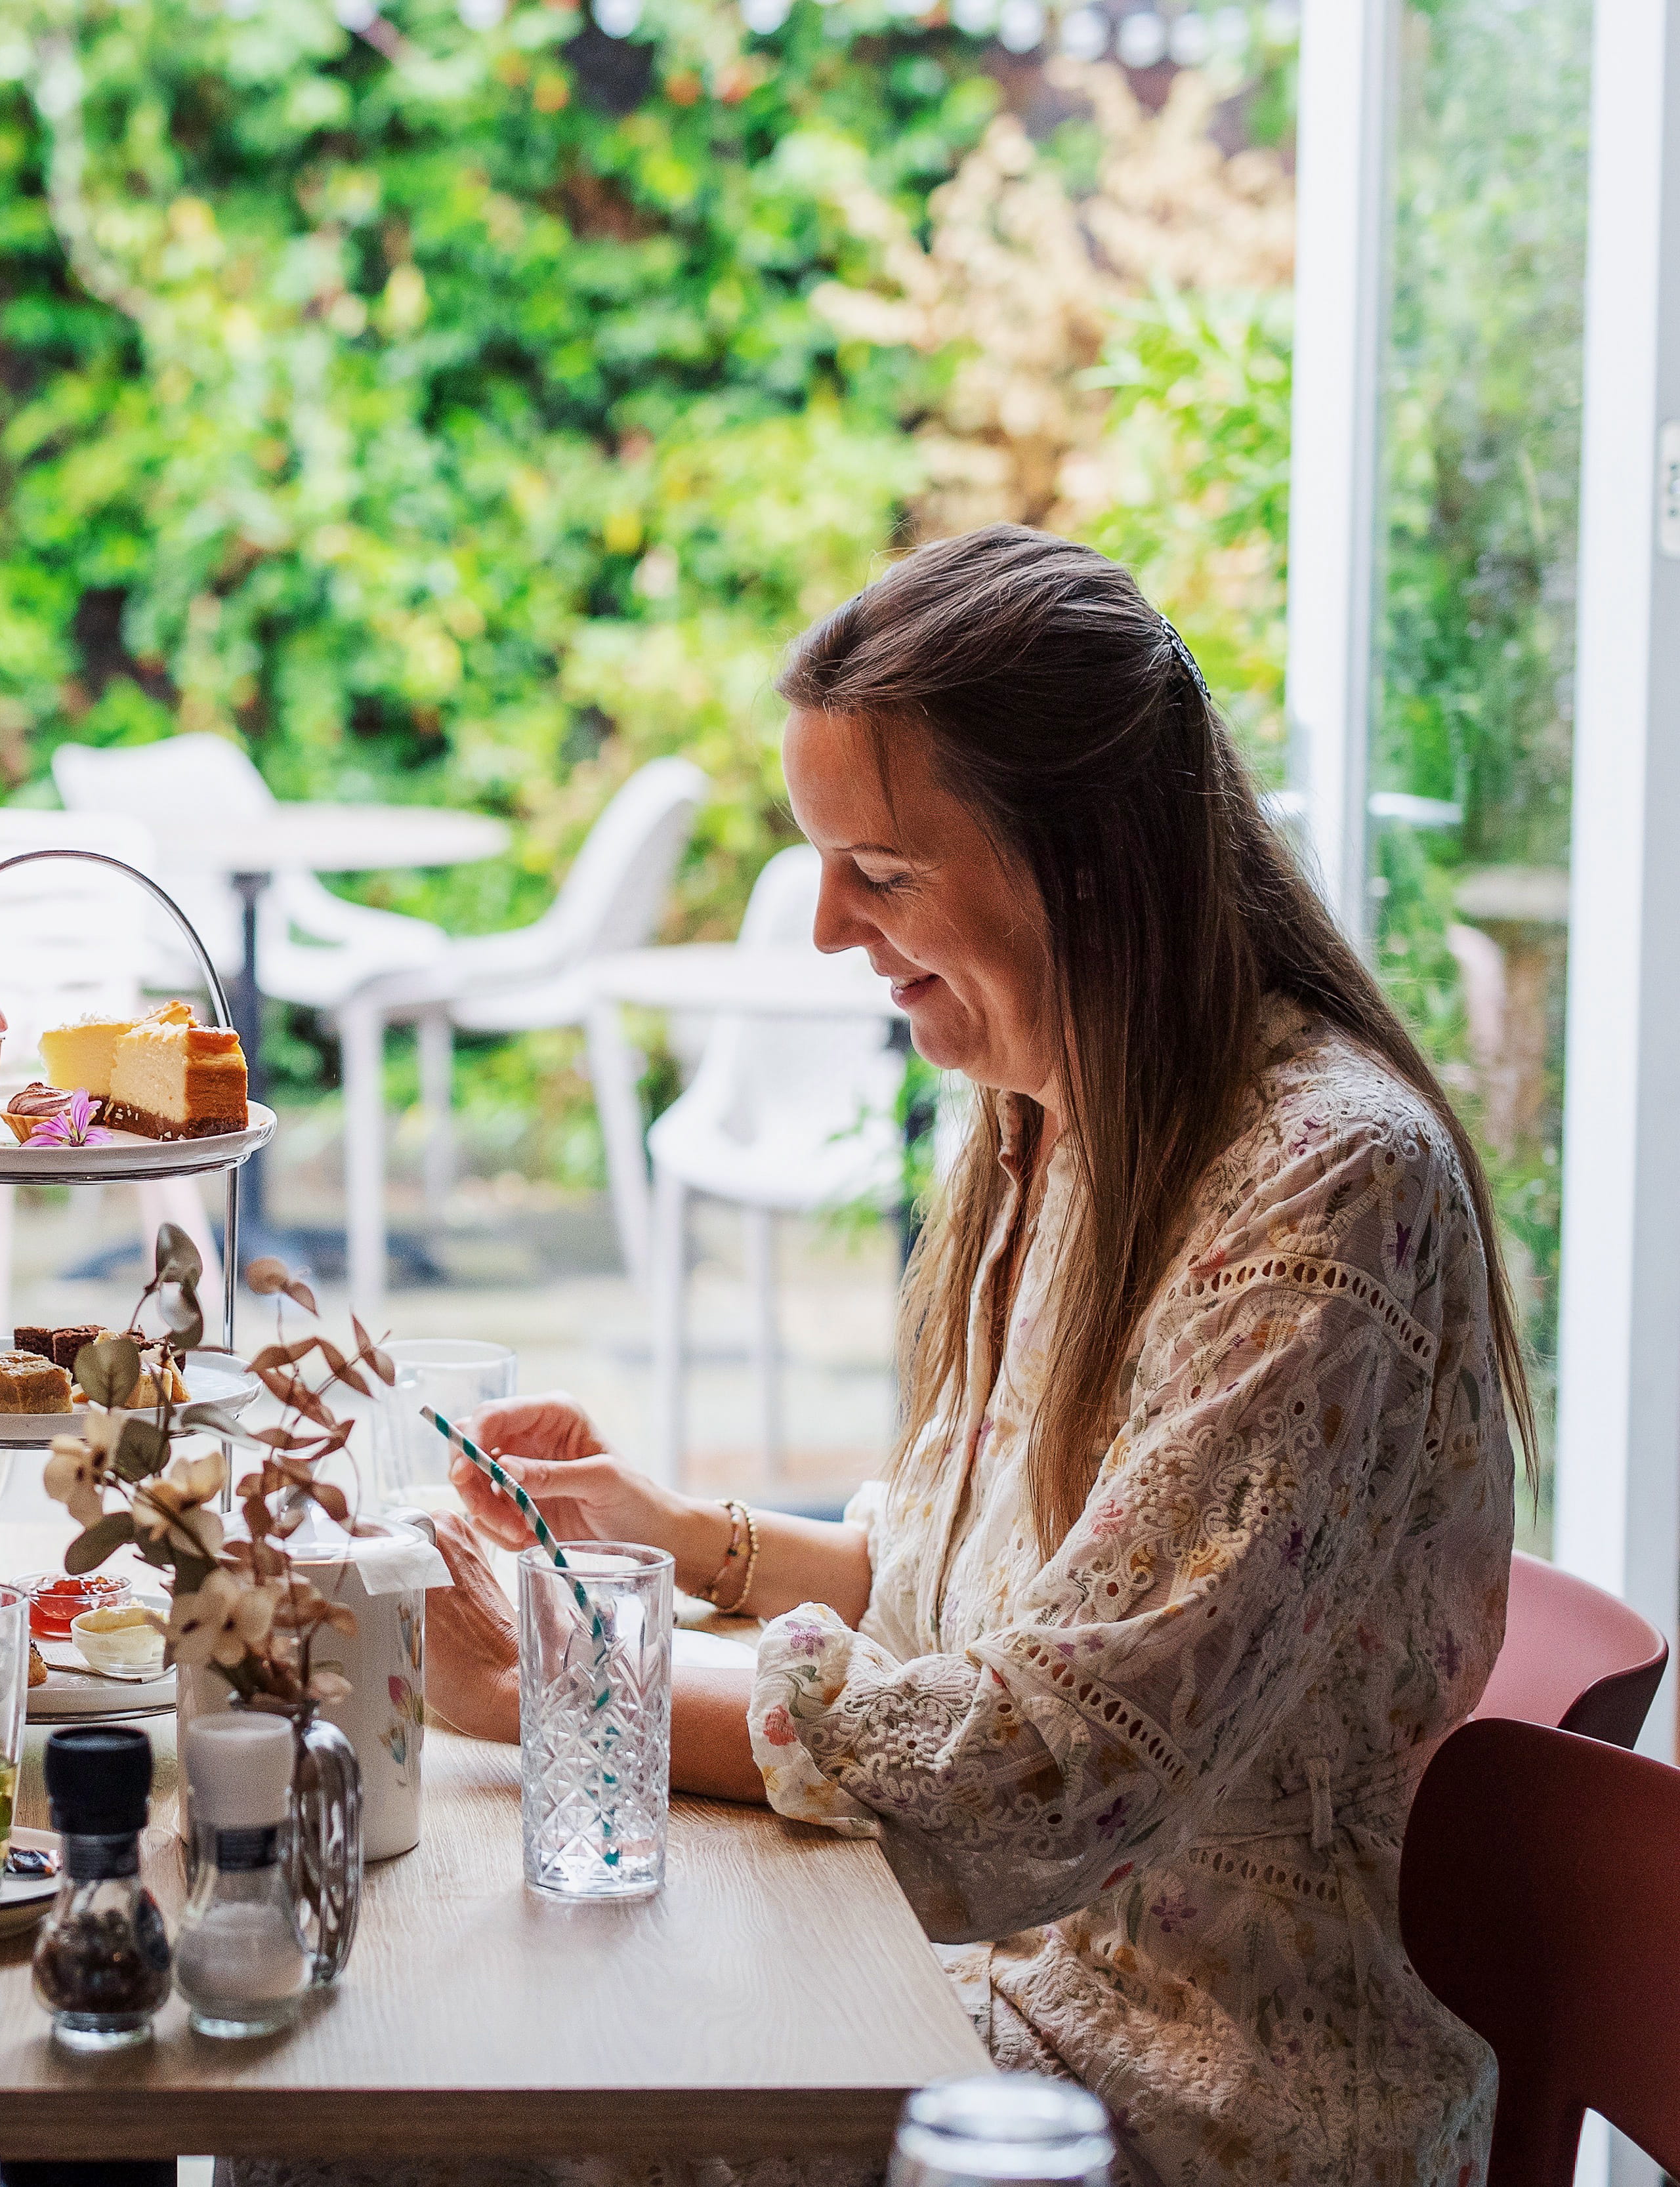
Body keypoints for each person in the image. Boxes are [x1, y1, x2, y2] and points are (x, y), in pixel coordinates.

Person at [411, 527, 1522, 2187]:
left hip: (1200, 2112)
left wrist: (566, 1691)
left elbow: (1046, 1764)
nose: (823, 930)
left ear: (1084, 856)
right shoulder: (1050, 1122)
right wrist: (668, 1537)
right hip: (985, 2006)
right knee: (460, 2050)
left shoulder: (1323, 1189)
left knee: (448, 2126)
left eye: (885, 868)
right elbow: (970, 1593)